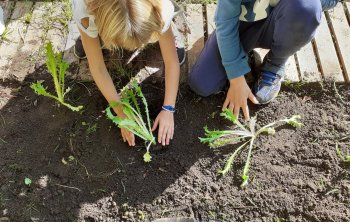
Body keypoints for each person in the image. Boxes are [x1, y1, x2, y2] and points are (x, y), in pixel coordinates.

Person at [188, 0, 348, 121]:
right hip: (240, 26)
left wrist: (306, 5)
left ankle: (274, 63)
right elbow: (226, 23)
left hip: (281, 24)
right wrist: (236, 78)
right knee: (201, 83)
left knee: (306, 8)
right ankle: (241, 54)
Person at [72, 0, 186, 147]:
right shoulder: (84, 9)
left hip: (157, 15)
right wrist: (121, 114)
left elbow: (171, 61)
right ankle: (89, 35)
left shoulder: (161, 9)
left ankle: (169, 29)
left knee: (164, 30)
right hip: (95, 15)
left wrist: (169, 108)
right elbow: (98, 68)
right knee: (88, 32)